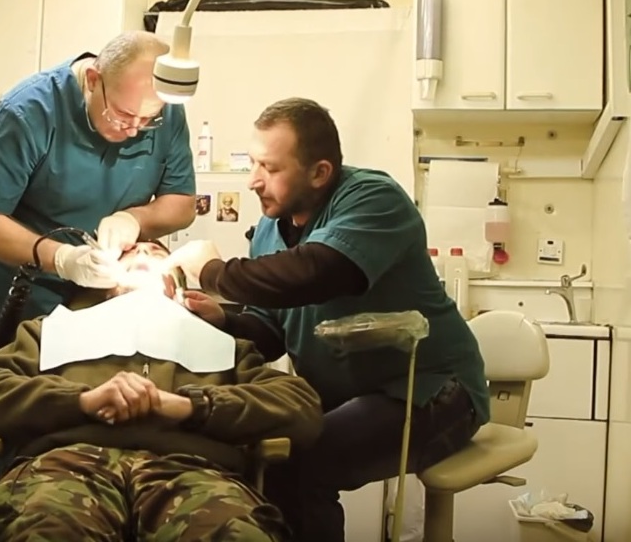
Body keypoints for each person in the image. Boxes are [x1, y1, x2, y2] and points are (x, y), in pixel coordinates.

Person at [163, 97, 489, 541]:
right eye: (254, 164)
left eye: (270, 168)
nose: (254, 181)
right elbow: (270, 333)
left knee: (302, 464)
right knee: (263, 455)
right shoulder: (270, 229)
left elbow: (321, 272)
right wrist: (220, 318)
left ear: (319, 172)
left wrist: (213, 271)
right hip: (351, 399)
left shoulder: (374, 198)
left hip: (434, 390)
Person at [0, 240, 323, 542]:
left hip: (191, 470)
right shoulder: (52, 331)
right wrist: (81, 401)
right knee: (45, 530)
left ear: (178, 284)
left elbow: (300, 407)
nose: (144, 253)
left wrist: (189, 406)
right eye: (130, 252)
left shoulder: (223, 345)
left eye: (157, 252)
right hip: (67, 464)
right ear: (102, 279)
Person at [0, 31, 197, 340]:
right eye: (123, 115)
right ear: (94, 80)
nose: (134, 130)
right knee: (32, 366)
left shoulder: (164, 107)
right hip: (30, 290)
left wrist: (134, 219)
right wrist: (62, 259)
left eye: (148, 120)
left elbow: (182, 203)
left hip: (111, 291)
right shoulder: (28, 112)